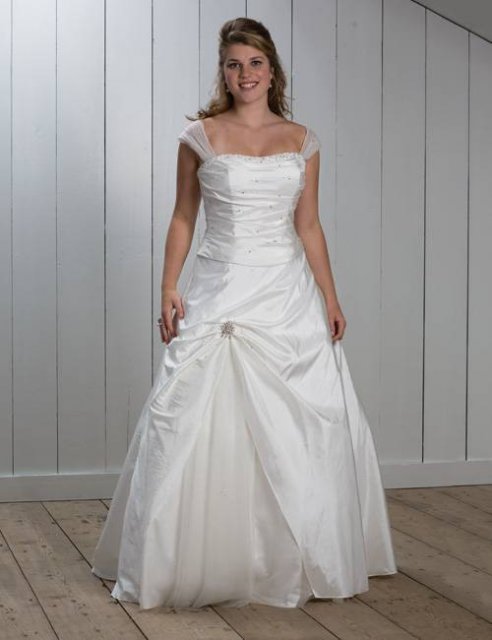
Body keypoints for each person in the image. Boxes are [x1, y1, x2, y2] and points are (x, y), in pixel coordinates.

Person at [91, 16, 397, 611]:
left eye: (255, 63)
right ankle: (194, 557)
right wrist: (168, 285)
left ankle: (292, 556)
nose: (246, 73)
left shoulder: (303, 140)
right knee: (186, 415)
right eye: (234, 64)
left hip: (286, 295)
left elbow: (309, 225)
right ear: (223, 74)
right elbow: (183, 217)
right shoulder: (200, 137)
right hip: (220, 286)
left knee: (307, 420)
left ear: (272, 71)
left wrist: (331, 297)